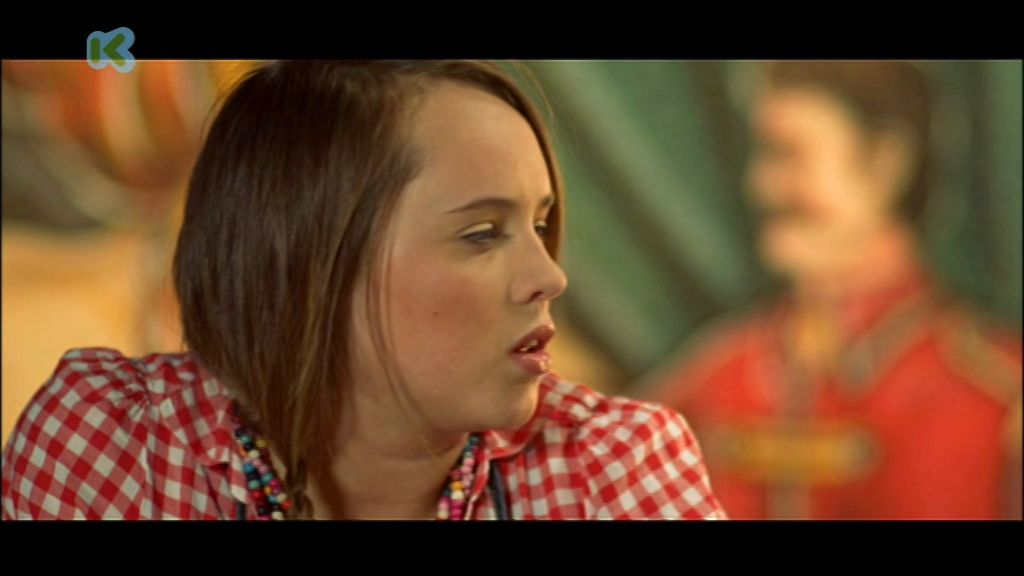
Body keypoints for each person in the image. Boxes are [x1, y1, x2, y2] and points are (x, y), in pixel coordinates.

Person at [2, 60, 725, 520]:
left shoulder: (610, 465)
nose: (551, 277)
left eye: (541, 225)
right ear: (309, 258)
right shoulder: (118, 441)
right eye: (482, 233)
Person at [643, 60, 1022, 520]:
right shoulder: (719, 377)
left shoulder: (991, 389)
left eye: (789, 154)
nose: (762, 186)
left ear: (884, 162)